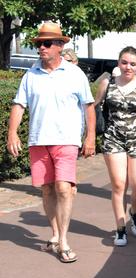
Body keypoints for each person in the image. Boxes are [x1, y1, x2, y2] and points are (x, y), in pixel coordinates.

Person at [6, 22, 96, 263]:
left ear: (59, 45)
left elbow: (89, 107)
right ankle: (55, 234)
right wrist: (12, 133)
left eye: (46, 43)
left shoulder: (75, 74)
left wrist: (90, 138)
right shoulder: (31, 74)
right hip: (39, 139)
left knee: (64, 188)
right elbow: (18, 105)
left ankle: (64, 240)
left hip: (66, 139)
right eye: (39, 44)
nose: (41, 48)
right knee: (47, 189)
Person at [94, 46, 136, 247]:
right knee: (119, 184)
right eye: (124, 62)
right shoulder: (108, 83)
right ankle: (121, 229)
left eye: (133, 64)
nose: (128, 67)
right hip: (113, 139)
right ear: (118, 63)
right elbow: (94, 106)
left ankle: (134, 212)